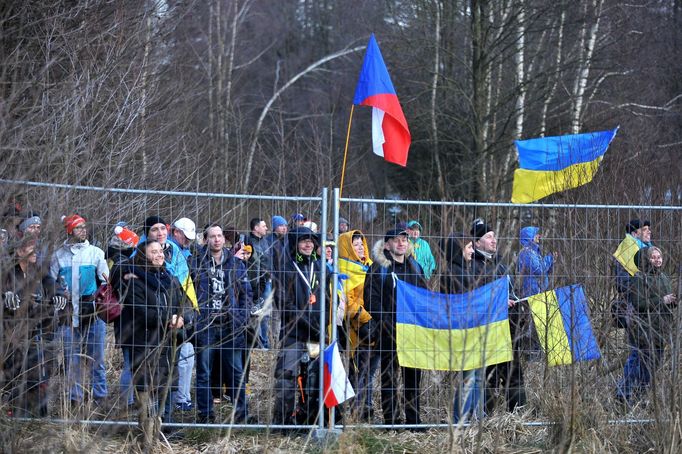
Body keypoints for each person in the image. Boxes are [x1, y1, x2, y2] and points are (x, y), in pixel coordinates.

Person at [119, 240, 187, 441]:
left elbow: (183, 304)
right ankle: (147, 433)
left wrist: (183, 319)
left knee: (168, 384)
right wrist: (169, 319)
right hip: (145, 343)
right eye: (154, 252)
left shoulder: (171, 279)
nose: (159, 255)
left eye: (161, 251)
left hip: (169, 342)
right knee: (146, 387)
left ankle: (164, 426)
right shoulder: (134, 280)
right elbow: (141, 312)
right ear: (143, 256)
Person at [364, 228, 427, 426]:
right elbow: (370, 300)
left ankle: (413, 420)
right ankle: (391, 420)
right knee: (389, 377)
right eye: (396, 240)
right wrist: (386, 323)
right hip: (388, 331)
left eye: (404, 239)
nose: (401, 243)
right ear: (387, 244)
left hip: (412, 332)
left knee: (413, 378)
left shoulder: (415, 267)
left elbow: (424, 296)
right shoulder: (378, 269)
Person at [192, 224, 251, 423]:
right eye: (212, 236)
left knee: (235, 372)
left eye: (220, 236)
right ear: (205, 240)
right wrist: (194, 318)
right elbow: (186, 292)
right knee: (204, 372)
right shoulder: (196, 263)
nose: (217, 239)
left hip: (230, 325)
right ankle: (206, 415)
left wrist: (241, 317)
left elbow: (246, 293)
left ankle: (241, 415)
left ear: (224, 239)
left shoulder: (235, 264)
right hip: (205, 325)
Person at [139, 216, 198, 412]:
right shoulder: (136, 260)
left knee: (173, 368)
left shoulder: (175, 258)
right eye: (155, 230)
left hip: (173, 325)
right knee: (145, 373)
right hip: (147, 330)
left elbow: (183, 289)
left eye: (162, 228)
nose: (160, 233)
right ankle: (142, 412)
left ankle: (169, 415)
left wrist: (185, 317)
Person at [50, 214, 109, 408]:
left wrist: (99, 298)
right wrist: (59, 293)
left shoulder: (96, 253)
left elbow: (107, 283)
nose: (83, 230)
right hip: (68, 313)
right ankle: (74, 399)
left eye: (84, 226)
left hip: (93, 312)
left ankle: (100, 397)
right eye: (78, 228)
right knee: (71, 358)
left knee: (97, 358)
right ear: (69, 231)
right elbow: (50, 282)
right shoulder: (59, 255)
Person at [2, 239, 66, 416]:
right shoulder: (8, 273)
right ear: (20, 252)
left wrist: (58, 295)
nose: (36, 253)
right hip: (11, 333)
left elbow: (52, 285)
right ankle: (14, 414)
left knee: (37, 374)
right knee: (14, 374)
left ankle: (37, 416)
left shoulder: (39, 271)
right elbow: (3, 292)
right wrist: (6, 296)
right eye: (31, 249)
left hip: (36, 331)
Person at [469, 218, 525, 415]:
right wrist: (498, 303)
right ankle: (487, 420)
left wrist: (515, 300)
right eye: (489, 236)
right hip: (487, 332)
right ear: (477, 242)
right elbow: (474, 298)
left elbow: (513, 290)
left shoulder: (501, 264)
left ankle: (518, 417)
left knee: (514, 373)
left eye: (494, 236)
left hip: (509, 329)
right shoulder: (472, 266)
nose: (494, 240)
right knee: (489, 376)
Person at [272, 226, 325, 425]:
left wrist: (323, 326)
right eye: (303, 240)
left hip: (317, 335)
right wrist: (309, 324)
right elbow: (284, 305)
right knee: (286, 378)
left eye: (311, 240)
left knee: (313, 380)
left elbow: (327, 299)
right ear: (294, 243)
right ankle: (283, 423)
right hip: (293, 334)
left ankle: (308, 421)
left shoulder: (320, 267)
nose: (308, 244)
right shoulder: (284, 267)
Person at [618, 246, 676, 403]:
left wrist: (672, 302)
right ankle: (623, 395)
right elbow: (638, 304)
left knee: (653, 366)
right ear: (646, 260)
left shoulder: (664, 278)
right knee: (639, 363)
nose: (657, 259)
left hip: (661, 330)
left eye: (659, 257)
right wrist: (662, 301)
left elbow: (665, 302)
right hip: (643, 329)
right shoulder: (639, 279)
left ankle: (641, 396)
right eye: (653, 257)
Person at [440, 232, 480, 422]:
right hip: (463, 333)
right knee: (469, 377)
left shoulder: (464, 270)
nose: (473, 250)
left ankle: (470, 417)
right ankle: (459, 419)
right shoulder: (453, 273)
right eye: (469, 247)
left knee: (475, 377)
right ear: (458, 250)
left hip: (471, 331)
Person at [337, 229, 375, 421]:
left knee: (370, 371)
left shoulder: (369, 266)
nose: (360, 248)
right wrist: (366, 317)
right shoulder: (343, 269)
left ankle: (366, 407)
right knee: (359, 370)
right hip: (358, 328)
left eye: (362, 244)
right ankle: (357, 410)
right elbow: (347, 302)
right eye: (355, 245)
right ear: (347, 248)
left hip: (376, 326)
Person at [613, 219, 653, 402]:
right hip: (635, 309)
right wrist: (642, 290)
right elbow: (622, 283)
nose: (649, 232)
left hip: (649, 309)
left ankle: (638, 394)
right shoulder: (628, 250)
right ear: (635, 233)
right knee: (637, 352)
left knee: (648, 353)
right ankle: (624, 395)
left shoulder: (645, 250)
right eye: (645, 230)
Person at [106, 222, 140, 409]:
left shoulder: (114, 261)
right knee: (130, 364)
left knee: (131, 363)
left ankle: (129, 400)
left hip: (124, 320)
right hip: (129, 320)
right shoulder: (122, 265)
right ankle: (127, 402)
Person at [246, 217, 273, 350]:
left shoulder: (265, 242)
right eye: (264, 226)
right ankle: (254, 343)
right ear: (256, 228)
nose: (266, 228)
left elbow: (267, 261)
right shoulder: (248, 242)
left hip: (266, 281)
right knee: (252, 314)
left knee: (265, 313)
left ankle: (264, 343)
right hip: (253, 283)